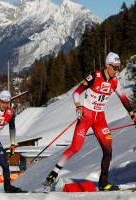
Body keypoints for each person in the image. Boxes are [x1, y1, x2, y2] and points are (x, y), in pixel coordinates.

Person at [44, 52, 136, 191]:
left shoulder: (115, 81)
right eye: (115, 68)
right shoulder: (94, 76)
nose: (116, 71)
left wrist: (131, 114)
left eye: (118, 68)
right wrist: (78, 106)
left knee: (108, 150)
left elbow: (123, 98)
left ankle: (103, 183)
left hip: (100, 119)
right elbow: (76, 92)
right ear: (107, 65)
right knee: (75, 147)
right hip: (86, 117)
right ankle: (53, 174)